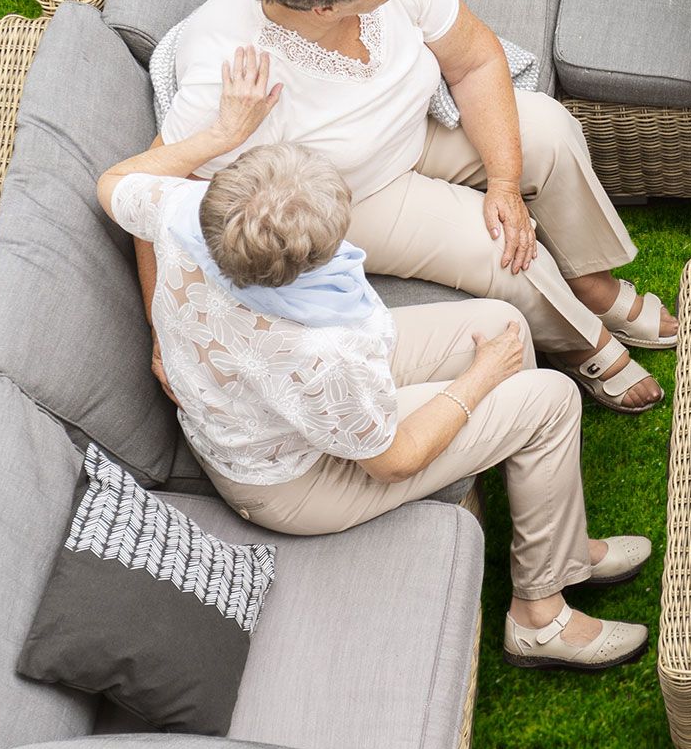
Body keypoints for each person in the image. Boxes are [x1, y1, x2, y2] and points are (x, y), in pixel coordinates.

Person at [96, 56, 651, 671]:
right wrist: (481, 379)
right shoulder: (325, 349)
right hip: (289, 479)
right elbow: (392, 460)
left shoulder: (189, 216)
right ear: (307, 264)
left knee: (503, 324)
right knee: (549, 400)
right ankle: (539, 617)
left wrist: (223, 133)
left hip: (265, 402)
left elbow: (114, 181)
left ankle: (562, 547)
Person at [151, 0, 672, 416]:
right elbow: (159, 199)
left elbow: (475, 61)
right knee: (501, 247)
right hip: (356, 194)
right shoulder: (226, 75)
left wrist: (504, 181)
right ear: (325, 5)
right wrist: (162, 327)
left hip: (422, 124)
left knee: (549, 129)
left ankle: (591, 283)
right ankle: (581, 342)